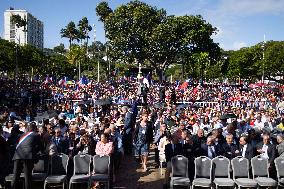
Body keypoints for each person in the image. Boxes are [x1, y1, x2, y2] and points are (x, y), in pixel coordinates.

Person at [11, 122, 43, 189]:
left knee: (16, 176)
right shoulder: (36, 135)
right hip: (27, 156)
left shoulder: (22, 135)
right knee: (27, 176)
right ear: (35, 128)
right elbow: (41, 147)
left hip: (17, 156)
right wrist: (36, 152)